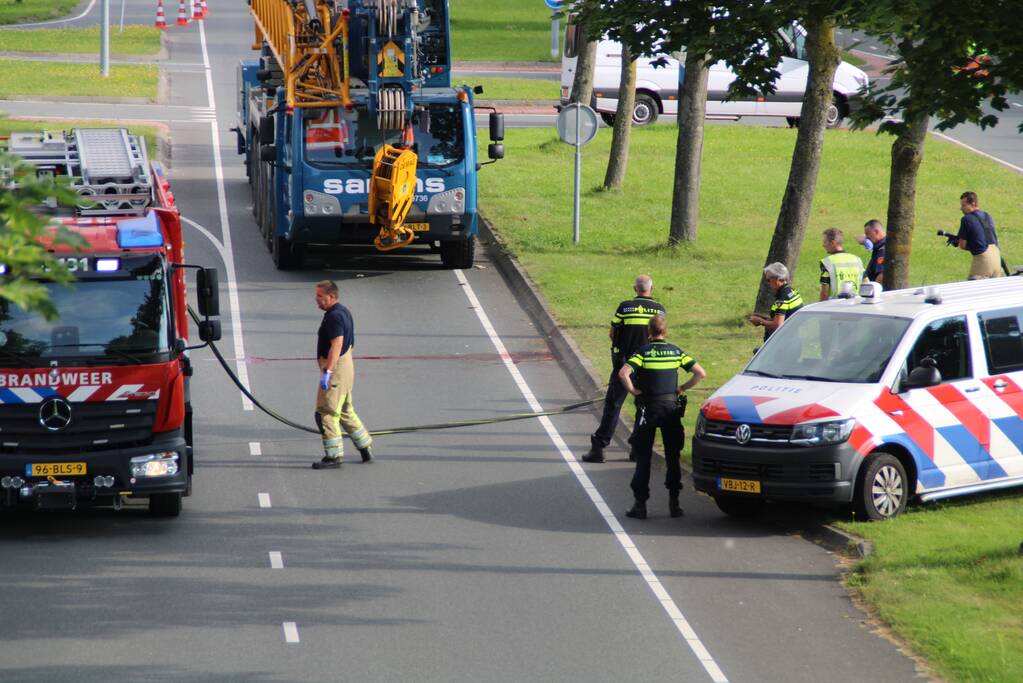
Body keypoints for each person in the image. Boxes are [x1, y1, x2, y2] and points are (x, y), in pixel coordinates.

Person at [618, 315, 705, 519]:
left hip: (648, 408)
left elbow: (623, 374)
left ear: (650, 331)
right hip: (670, 408)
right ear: (665, 332)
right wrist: (682, 388)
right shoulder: (675, 352)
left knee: (643, 458)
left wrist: (634, 391)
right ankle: (674, 504)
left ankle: (640, 506)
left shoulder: (643, 352)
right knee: (672, 457)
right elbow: (701, 373)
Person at [581, 274, 665, 464]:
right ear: (652, 289)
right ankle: (637, 448)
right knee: (642, 407)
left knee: (613, 404)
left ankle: (599, 447)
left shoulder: (624, 307)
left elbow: (613, 333)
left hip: (624, 364)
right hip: (648, 367)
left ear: (635, 289)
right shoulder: (659, 310)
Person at [312, 280, 373, 469]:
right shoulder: (343, 311)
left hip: (336, 370)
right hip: (346, 368)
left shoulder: (334, 317)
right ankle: (365, 447)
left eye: (320, 297)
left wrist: (328, 372)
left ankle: (333, 456)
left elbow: (336, 344)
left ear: (332, 297)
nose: (317, 301)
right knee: (346, 410)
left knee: (326, 413)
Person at [748, 262, 803, 340]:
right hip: (794, 337)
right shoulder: (792, 291)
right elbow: (786, 317)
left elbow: (778, 325)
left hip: (784, 341)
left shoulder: (782, 297)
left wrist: (760, 321)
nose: (767, 283)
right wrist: (763, 317)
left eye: (768, 280)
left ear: (777, 279)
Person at [954, 191, 1002, 280]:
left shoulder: (966, 219)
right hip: (997, 257)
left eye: (964, 205)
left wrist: (958, 241)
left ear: (973, 203)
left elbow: (962, 245)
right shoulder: (987, 216)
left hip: (983, 260)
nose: (961, 208)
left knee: (973, 290)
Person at [819, 228, 864, 300]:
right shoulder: (857, 260)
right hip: (856, 304)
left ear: (833, 243)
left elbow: (824, 293)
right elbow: (866, 283)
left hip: (836, 306)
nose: (823, 245)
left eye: (825, 242)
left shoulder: (828, 262)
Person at [857, 219, 886, 283]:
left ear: (876, 232)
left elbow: (881, 275)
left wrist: (873, 290)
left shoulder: (882, 250)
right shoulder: (880, 246)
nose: (866, 238)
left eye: (867, 234)